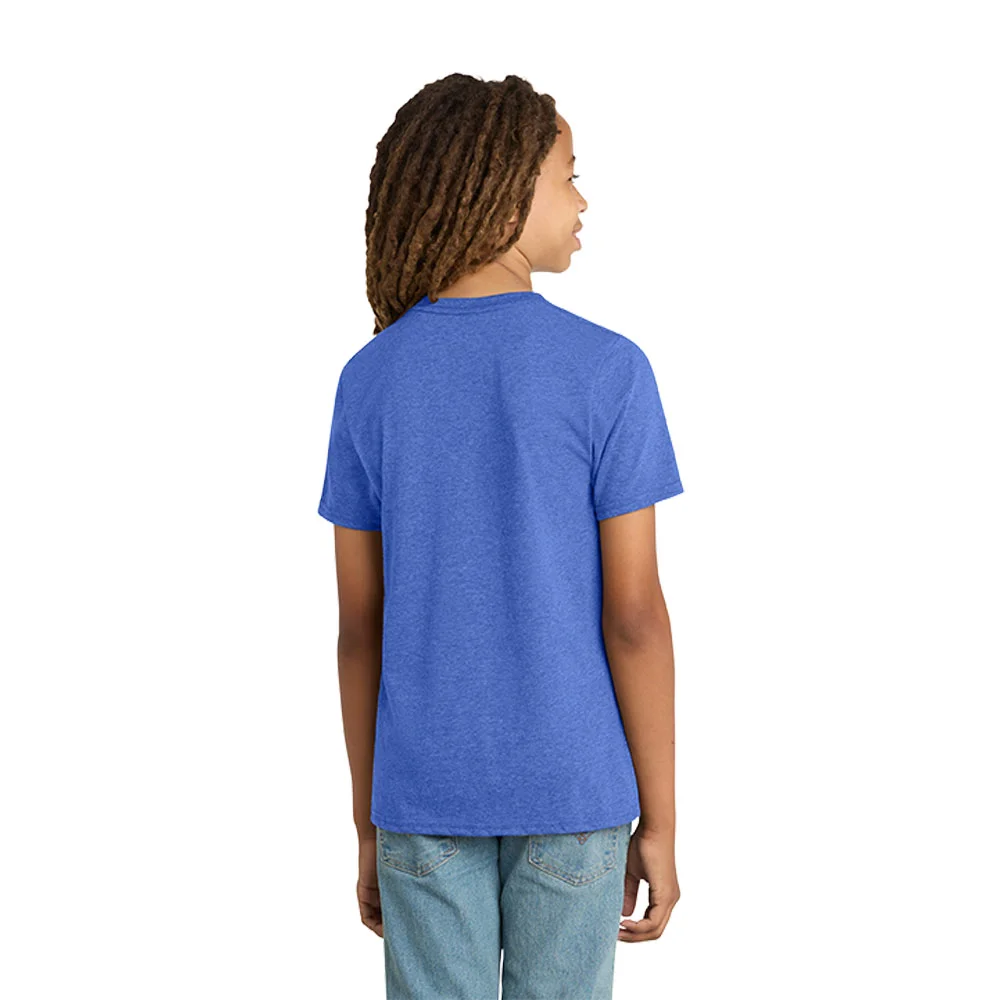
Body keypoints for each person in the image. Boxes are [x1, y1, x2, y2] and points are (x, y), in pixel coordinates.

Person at [318, 72, 683, 999]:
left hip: (421, 796)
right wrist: (661, 821)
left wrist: (366, 824)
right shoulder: (608, 370)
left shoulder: (371, 379)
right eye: (570, 176)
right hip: (575, 793)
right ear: (503, 190)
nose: (583, 200)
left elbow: (360, 627)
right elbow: (635, 617)